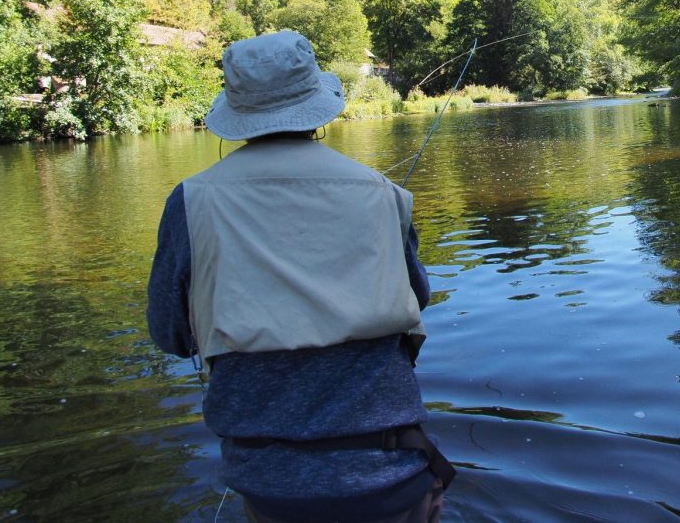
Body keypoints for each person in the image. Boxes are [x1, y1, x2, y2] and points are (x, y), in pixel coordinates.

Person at [147, 30, 454, 522]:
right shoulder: (385, 194)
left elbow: (171, 334)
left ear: (237, 113)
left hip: (272, 490)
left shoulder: (190, 203)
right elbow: (417, 299)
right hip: (394, 476)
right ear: (318, 107)